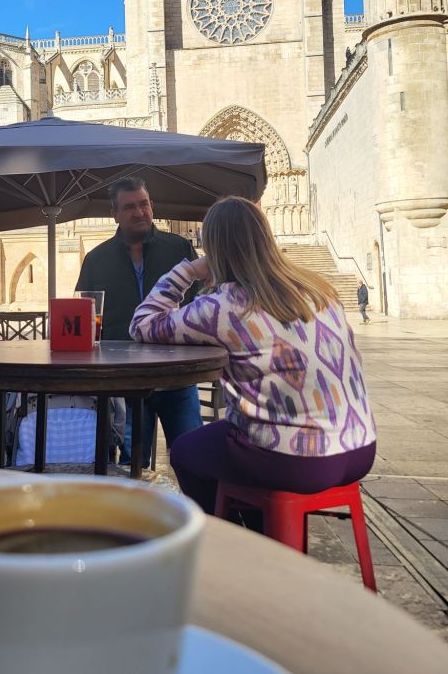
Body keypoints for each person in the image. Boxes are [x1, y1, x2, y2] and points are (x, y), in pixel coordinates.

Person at [129, 197, 377, 514]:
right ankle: (261, 529)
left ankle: (234, 541)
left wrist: (189, 269)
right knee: (227, 445)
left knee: (184, 451)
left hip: (298, 460)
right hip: (360, 448)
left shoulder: (224, 306)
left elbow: (142, 324)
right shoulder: (318, 288)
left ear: (214, 248)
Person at [76, 176, 201, 467]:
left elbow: (200, 304)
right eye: (129, 207)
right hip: (126, 380)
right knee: (134, 463)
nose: (139, 212)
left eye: (144, 204)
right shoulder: (96, 259)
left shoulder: (179, 249)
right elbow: (83, 314)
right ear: (115, 214)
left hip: (176, 376)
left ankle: (197, 512)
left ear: (152, 206)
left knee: (191, 455)